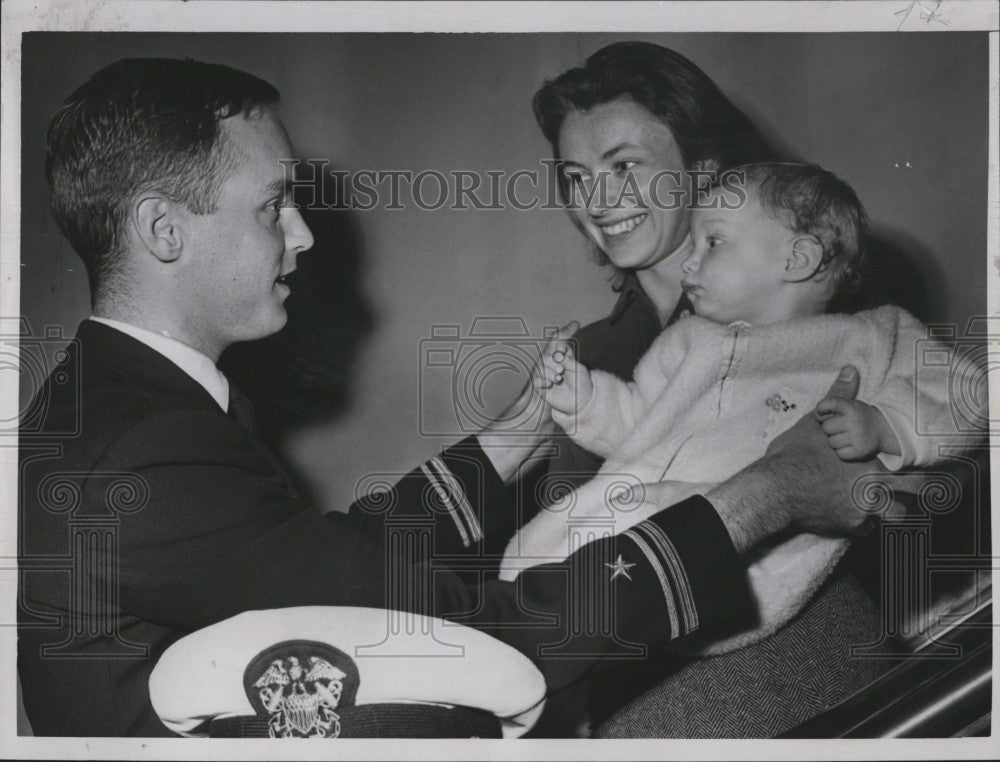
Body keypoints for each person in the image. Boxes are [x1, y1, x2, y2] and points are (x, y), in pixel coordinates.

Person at [17, 56, 871, 737]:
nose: (305, 234)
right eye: (274, 206)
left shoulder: (119, 408)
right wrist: (768, 494)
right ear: (165, 231)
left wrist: (513, 436)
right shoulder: (143, 450)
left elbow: (333, 567)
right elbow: (468, 627)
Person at [514, 42, 898, 737]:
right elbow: (583, 580)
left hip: (822, 666)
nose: (597, 201)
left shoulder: (828, 311)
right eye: (575, 176)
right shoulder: (588, 359)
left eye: (623, 166)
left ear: (704, 168)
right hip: (656, 695)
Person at [503, 162, 976, 655]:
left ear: (797, 259)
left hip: (749, 559)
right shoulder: (687, 341)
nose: (690, 263)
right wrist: (584, 399)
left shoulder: (871, 337)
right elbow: (636, 426)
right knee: (543, 592)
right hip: (633, 523)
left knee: (580, 617)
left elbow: (968, 392)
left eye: (714, 243)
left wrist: (887, 424)